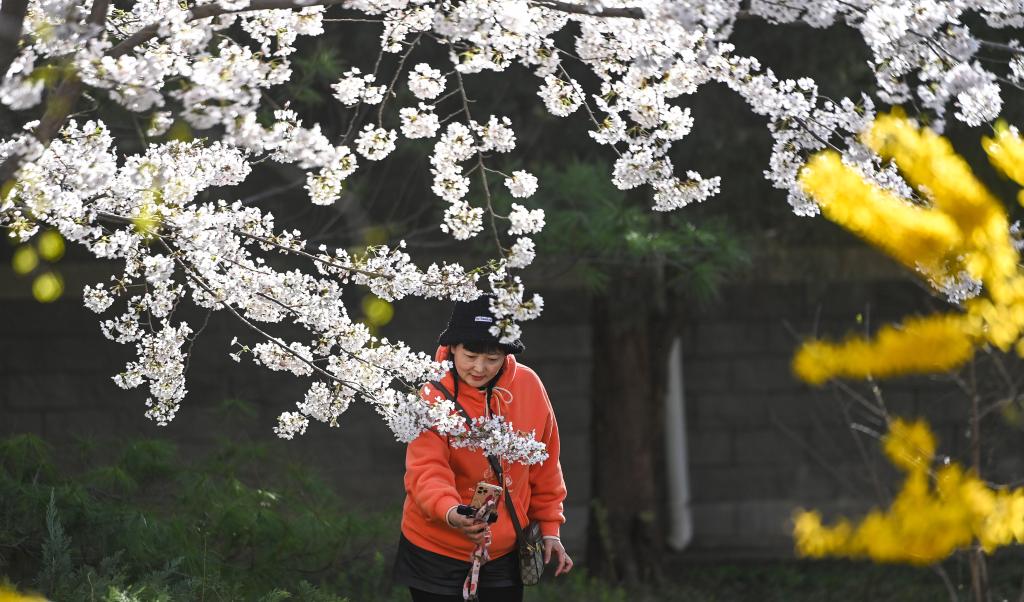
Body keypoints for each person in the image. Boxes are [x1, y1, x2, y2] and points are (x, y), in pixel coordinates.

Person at [393, 295, 572, 602]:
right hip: (436, 548)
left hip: (504, 549)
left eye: (492, 358)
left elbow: (544, 462)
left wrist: (550, 527)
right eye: (471, 355)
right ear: (452, 348)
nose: (479, 368)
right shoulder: (431, 396)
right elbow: (426, 471)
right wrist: (451, 513)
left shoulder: (528, 385)